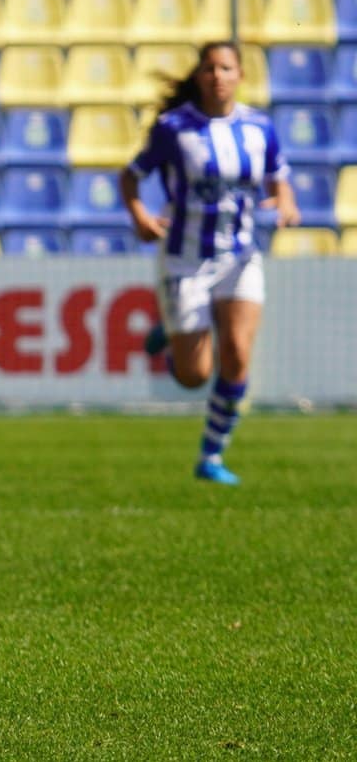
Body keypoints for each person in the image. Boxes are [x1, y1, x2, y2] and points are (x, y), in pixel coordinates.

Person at [121, 40, 299, 486]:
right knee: (193, 376)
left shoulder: (260, 128)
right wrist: (141, 215)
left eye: (226, 67)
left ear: (240, 75)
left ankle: (211, 456)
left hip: (240, 254)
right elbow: (131, 175)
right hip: (187, 259)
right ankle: (175, 337)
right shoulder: (173, 128)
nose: (218, 76)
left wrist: (287, 204)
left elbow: (280, 176)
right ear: (199, 77)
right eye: (210, 69)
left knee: (237, 353)